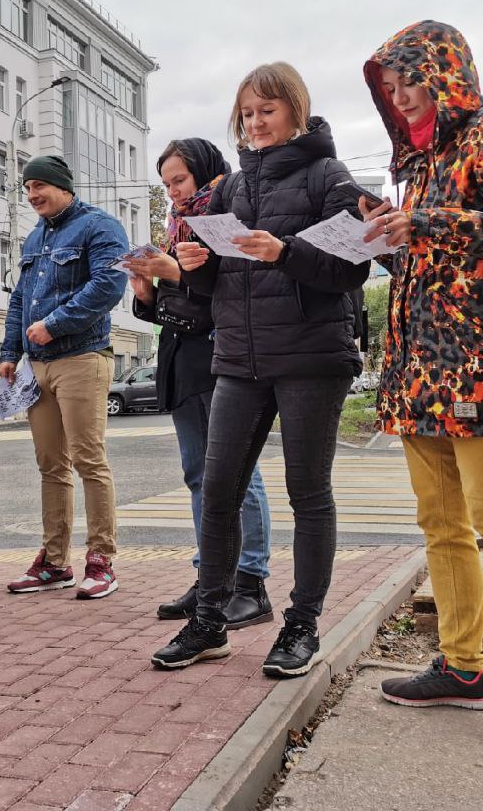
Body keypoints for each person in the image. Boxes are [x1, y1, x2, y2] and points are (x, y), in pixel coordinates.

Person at [360, 20, 483, 748]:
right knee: (440, 526)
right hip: (420, 369)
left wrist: (428, 222)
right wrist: (391, 234)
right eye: (392, 89)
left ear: (446, 75)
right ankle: (463, 666)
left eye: (411, 81)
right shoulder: (416, 166)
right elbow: (434, 262)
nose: (403, 96)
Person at [151, 62, 368, 678]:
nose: (255, 123)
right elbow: (212, 287)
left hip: (311, 359)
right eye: (246, 114)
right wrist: (192, 263)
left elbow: (352, 269)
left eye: (266, 111)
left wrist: (287, 251)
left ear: (295, 110)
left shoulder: (329, 175)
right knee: (218, 490)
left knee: (308, 493)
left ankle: (302, 625)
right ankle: (211, 621)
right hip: (239, 360)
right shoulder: (232, 189)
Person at [127, 138, 274, 629]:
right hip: (182, 361)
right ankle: (210, 577)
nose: (172, 192)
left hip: (223, 358)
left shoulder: (228, 210)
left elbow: (233, 291)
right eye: (166, 183)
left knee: (236, 475)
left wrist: (177, 274)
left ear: (204, 172)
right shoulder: (178, 226)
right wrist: (148, 288)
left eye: (180, 180)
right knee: (199, 476)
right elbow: (178, 305)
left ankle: (249, 579)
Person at [0, 155, 130, 599]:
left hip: (82, 356)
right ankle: (54, 562)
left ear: (63, 186)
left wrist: (54, 324)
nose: (33, 195)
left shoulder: (100, 226)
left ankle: (101, 560)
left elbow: (109, 286)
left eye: (40, 186)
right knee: (51, 465)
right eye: (27, 187)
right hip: (37, 366)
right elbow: (19, 299)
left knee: (88, 459)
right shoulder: (35, 236)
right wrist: (10, 350)